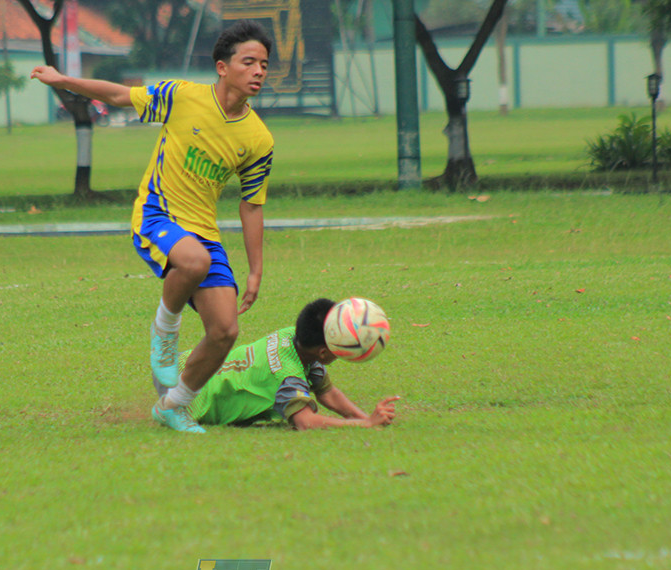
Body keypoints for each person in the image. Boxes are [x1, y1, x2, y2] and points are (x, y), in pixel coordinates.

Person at [30, 20, 275, 434]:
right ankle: (165, 331)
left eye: (264, 65)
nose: (258, 71)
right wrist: (63, 79)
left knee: (225, 330)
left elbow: (251, 206)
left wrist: (254, 270)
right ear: (222, 66)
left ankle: (173, 405)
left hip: (204, 233)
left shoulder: (259, 138)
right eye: (248, 62)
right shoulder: (181, 96)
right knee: (193, 261)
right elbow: (118, 95)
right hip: (157, 216)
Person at [172, 298, 400, 431]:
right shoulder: (287, 375)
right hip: (191, 402)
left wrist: (367, 417)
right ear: (323, 352)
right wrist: (367, 424)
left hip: (186, 363)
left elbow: (327, 393)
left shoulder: (293, 338)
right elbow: (305, 422)